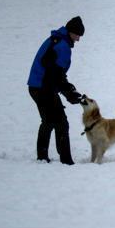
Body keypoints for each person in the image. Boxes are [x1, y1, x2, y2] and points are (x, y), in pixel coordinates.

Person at [27, 16, 85, 164]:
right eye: (78, 35)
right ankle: (66, 160)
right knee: (61, 123)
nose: (78, 39)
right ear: (71, 32)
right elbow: (55, 75)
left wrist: (68, 90)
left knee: (48, 121)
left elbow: (55, 73)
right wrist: (68, 92)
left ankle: (42, 156)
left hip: (37, 86)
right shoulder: (62, 46)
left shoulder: (56, 40)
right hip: (42, 88)